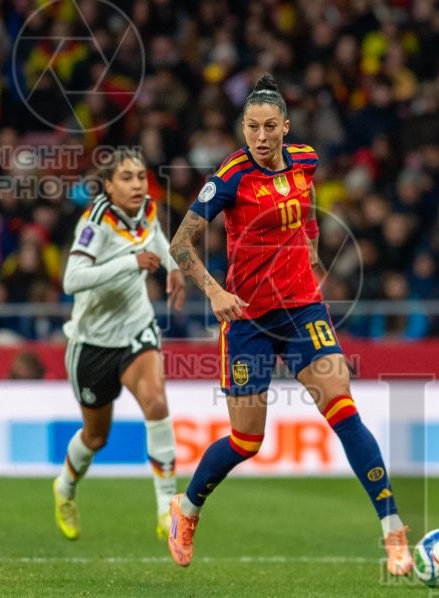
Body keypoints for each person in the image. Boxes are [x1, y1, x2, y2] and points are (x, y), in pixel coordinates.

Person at [165, 74, 414, 576]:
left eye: (269, 127)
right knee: (247, 441)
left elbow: (307, 212)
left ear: (286, 128)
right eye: (251, 126)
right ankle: (186, 508)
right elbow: (179, 243)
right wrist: (215, 292)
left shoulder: (305, 160)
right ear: (243, 127)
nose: (259, 136)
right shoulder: (230, 178)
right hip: (248, 318)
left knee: (343, 410)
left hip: (302, 307)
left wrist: (314, 248)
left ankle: (393, 530)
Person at [53, 147, 186, 542]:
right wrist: (132, 263)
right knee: (97, 437)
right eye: (126, 178)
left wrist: (174, 266)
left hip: (136, 330)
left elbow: (157, 238)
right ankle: (65, 489)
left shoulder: (146, 210)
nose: (136, 185)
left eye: (141, 177)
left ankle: (166, 509)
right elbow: (71, 280)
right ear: (108, 186)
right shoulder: (95, 222)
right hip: (92, 343)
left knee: (157, 404)